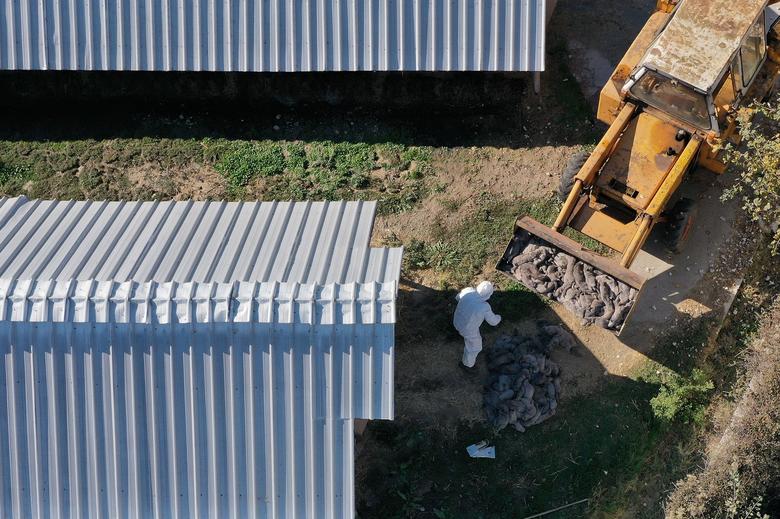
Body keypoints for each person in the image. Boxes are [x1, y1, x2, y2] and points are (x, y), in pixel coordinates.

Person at [453, 281, 502, 372]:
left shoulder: (468, 291)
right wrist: (499, 317)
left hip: (456, 320)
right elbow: (493, 322)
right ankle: (467, 365)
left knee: (473, 325)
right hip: (467, 330)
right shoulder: (484, 307)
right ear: (489, 295)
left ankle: (460, 334)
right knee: (475, 347)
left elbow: (457, 298)